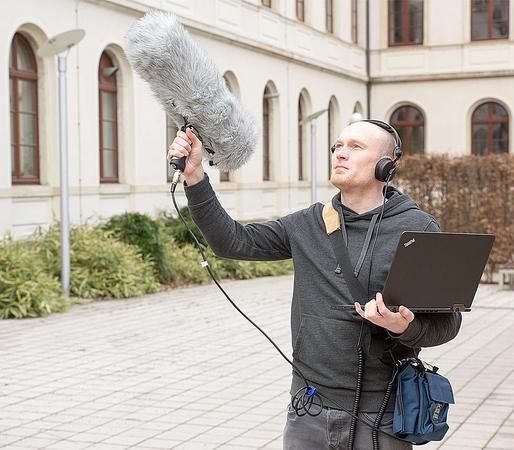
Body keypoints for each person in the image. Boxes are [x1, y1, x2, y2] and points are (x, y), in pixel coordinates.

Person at [167, 120, 462, 449]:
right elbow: (232, 242)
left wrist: (403, 327)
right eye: (338, 146)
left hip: (382, 416)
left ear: (386, 164)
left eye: (355, 147)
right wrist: (195, 177)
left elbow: (447, 323)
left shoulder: (418, 228)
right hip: (308, 411)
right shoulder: (308, 223)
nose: (341, 154)